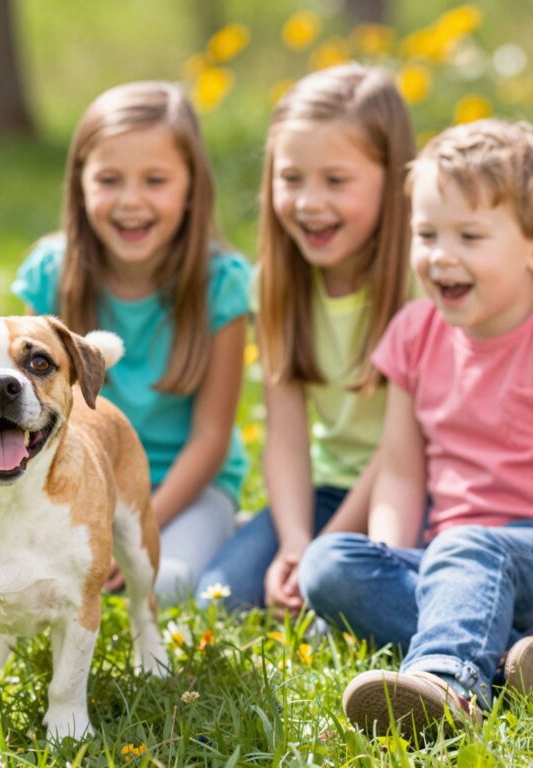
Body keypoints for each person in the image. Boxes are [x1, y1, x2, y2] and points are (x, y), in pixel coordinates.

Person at [298, 118, 533, 739]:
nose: (440, 255)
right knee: (328, 564)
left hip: (520, 552)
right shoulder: (415, 331)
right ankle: (514, 662)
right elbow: (402, 471)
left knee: (468, 546)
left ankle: (448, 683)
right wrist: (387, 553)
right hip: (446, 561)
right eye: (426, 233)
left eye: (470, 236)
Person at [11, 81, 251, 605]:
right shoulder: (51, 274)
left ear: (192, 188)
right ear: (81, 185)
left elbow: (211, 439)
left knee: (164, 585)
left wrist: (133, 527)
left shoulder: (223, 284)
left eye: (156, 180)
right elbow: (37, 410)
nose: (131, 201)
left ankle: (224, 529)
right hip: (76, 477)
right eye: (110, 180)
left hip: (181, 492)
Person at [196, 63, 415, 613]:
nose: (309, 202)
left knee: (336, 600)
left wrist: (322, 549)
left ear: (392, 179)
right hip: (326, 492)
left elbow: (402, 450)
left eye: (336, 181)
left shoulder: (421, 281)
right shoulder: (274, 284)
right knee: (218, 599)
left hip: (413, 491)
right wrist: (295, 540)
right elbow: (287, 435)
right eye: (291, 179)